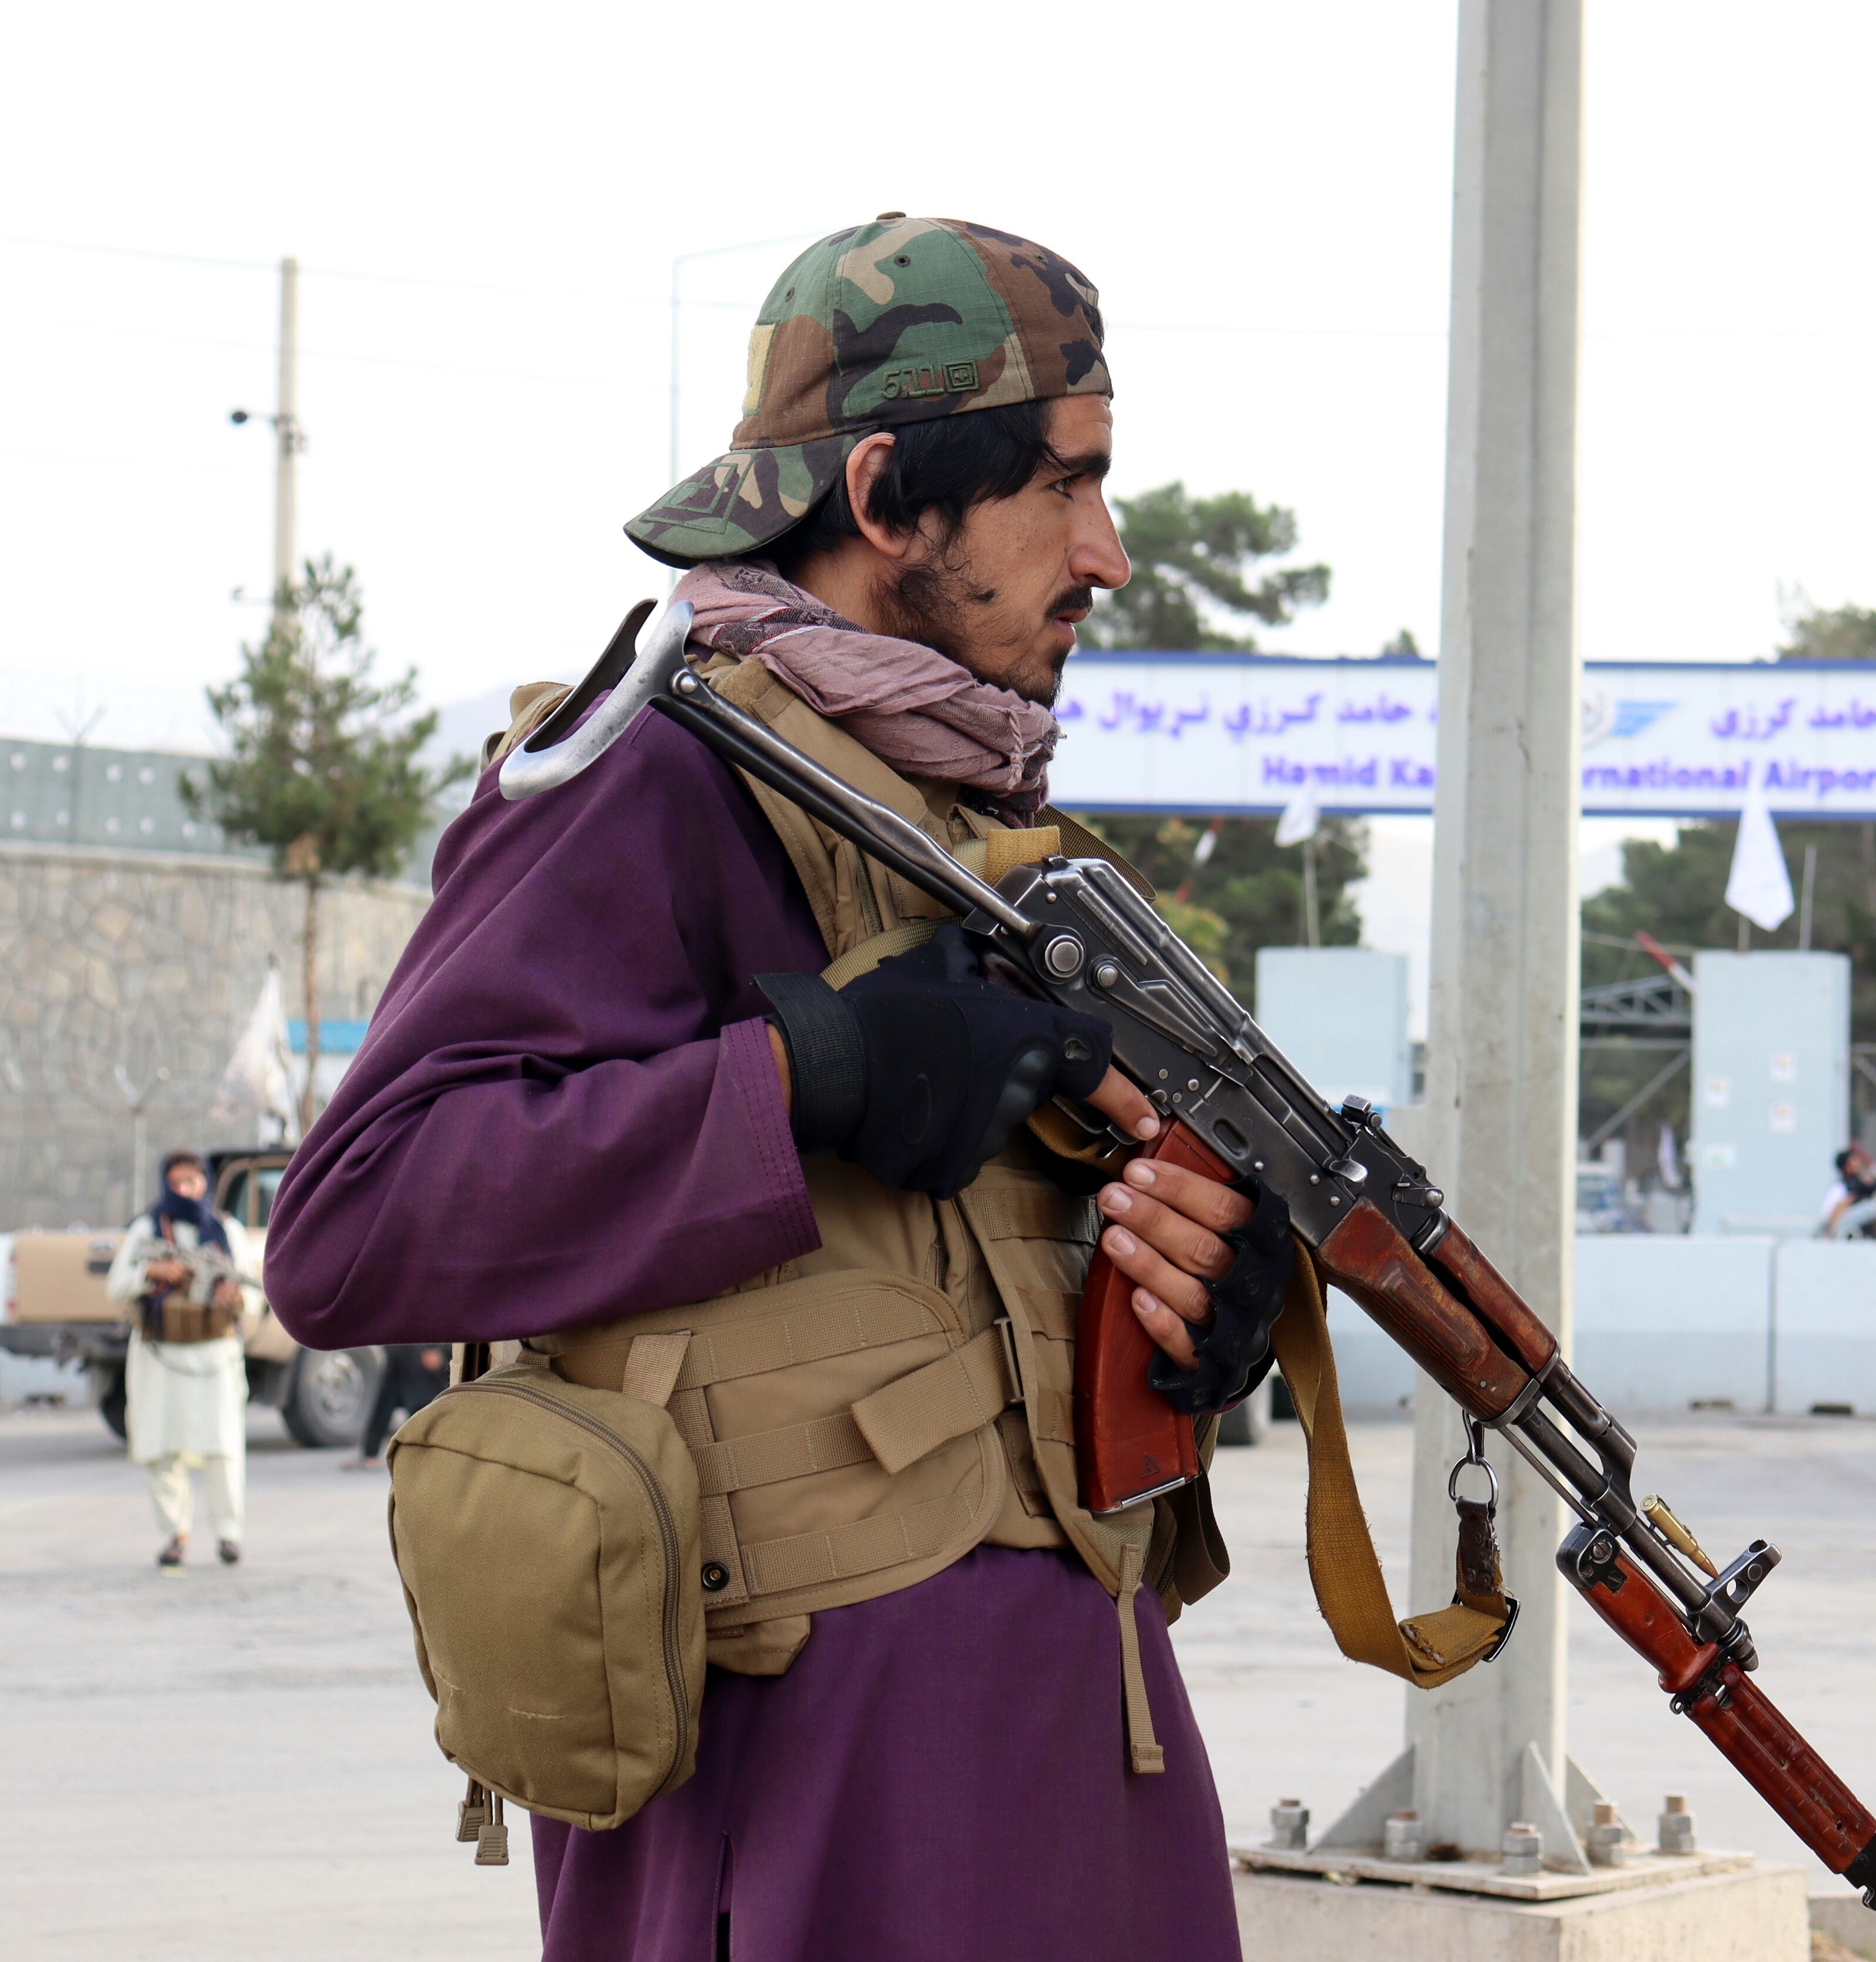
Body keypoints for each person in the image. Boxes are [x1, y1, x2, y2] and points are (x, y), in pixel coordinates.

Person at [267, 219, 1283, 1962]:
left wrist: (1207, 1290)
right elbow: (355, 1226)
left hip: (1080, 1751)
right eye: (1068, 486)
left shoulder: (986, 828)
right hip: (805, 1804)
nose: (1109, 553)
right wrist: (807, 1072)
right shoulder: (649, 773)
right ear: (888, 497)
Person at [105, 1150, 257, 1570]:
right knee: (158, 1448)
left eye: (194, 1181)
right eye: (178, 1183)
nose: (188, 1190)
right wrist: (153, 1271)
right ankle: (176, 1533)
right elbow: (116, 1286)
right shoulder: (146, 1229)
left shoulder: (226, 1230)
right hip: (160, 1356)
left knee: (224, 1448)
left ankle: (228, 1533)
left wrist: (238, 1296)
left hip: (215, 1355)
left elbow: (256, 1296)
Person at [342, 1343, 453, 1472]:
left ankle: (430, 1455)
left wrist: (440, 1352)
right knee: (388, 1400)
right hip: (404, 1348)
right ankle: (370, 1453)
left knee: (421, 1404)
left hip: (424, 1350)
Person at [1821, 1144, 1876, 1241]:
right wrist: (1829, 1234)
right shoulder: (1841, 1187)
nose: (1858, 1163)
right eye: (1853, 1161)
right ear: (1846, 1166)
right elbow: (1839, 1207)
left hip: (1849, 1225)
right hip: (1836, 1225)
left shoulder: (1857, 1182)